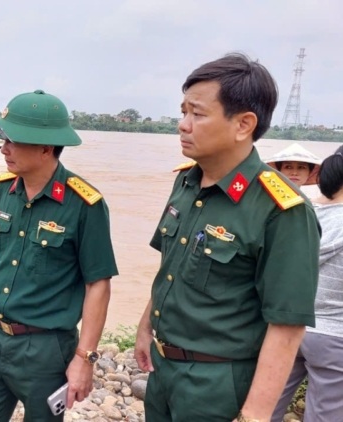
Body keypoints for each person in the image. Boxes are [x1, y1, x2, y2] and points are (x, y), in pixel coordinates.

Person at [133, 53, 320, 422]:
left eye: (197, 114)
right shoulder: (186, 181)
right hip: (164, 368)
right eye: (182, 111)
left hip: (219, 382)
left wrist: (255, 413)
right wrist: (145, 326)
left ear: (243, 124)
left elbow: (286, 323)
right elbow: (169, 267)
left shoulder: (281, 209)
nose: (183, 125)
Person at [0, 90, 118, 421]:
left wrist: (84, 358)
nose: (3, 148)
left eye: (13, 141)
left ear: (46, 148)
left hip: (46, 350)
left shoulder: (84, 204)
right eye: (3, 139)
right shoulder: (5, 188)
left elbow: (98, 285)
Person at [272, 147, 343, 422]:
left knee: (268, 401)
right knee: (325, 414)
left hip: (288, 324)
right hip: (334, 335)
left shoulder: (303, 211)